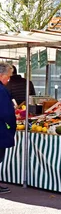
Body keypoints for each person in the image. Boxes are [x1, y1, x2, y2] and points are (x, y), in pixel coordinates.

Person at [0, 63, 17, 194]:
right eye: (8, 76)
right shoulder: (1, 90)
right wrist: (12, 126)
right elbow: (7, 113)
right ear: (1, 75)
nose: (9, 79)